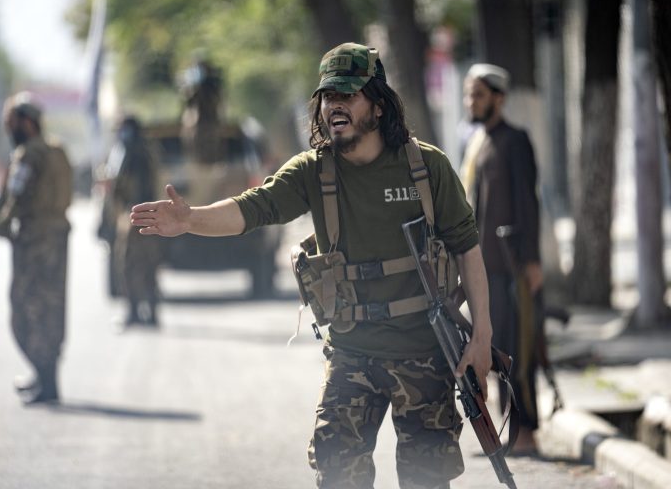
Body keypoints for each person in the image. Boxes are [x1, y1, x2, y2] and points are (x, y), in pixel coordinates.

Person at [131, 42, 493, 488]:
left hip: (423, 352)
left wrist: (482, 336)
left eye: (347, 95)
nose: (334, 105)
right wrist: (190, 220)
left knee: (427, 481)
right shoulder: (314, 171)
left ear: (378, 105)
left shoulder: (425, 168)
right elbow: (253, 208)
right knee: (336, 475)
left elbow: (467, 249)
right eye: (327, 96)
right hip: (352, 354)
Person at [460, 63, 542, 455]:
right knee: (496, 352)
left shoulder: (515, 141)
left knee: (519, 352)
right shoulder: (479, 143)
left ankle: (525, 433)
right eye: (468, 94)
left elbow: (529, 203)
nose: (470, 101)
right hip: (485, 270)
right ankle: (509, 432)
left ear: (498, 97)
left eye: (477, 93)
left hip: (512, 267)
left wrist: (532, 262)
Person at [0, 92, 72, 405]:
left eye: (12, 124)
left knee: (25, 310)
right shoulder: (58, 150)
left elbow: (15, 201)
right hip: (58, 237)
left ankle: (46, 380)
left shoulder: (27, 155)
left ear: (26, 122)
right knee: (52, 308)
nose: (10, 131)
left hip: (35, 242)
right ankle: (46, 380)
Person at [101, 115, 160, 328]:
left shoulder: (132, 152)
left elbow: (124, 185)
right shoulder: (145, 151)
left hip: (135, 216)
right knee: (147, 267)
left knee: (130, 265)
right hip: (148, 216)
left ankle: (137, 312)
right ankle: (148, 313)